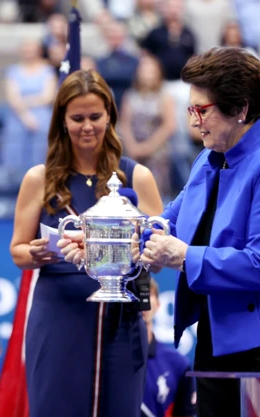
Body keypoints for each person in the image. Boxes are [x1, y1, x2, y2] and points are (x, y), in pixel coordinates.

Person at [62, 47, 260, 417]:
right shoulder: (208, 159)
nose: (194, 121)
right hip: (221, 338)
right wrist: (106, 239)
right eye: (191, 109)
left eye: (201, 110)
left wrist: (182, 256)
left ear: (240, 109)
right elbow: (165, 223)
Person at [10, 69, 164, 417]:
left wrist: (144, 251)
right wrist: (35, 253)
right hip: (58, 316)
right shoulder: (39, 178)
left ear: (110, 114)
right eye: (77, 118)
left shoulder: (136, 176)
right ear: (62, 121)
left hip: (121, 319)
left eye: (95, 116)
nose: (87, 126)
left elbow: (159, 253)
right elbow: (17, 250)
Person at [141, 278, 196, 417]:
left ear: (158, 304)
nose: (142, 301)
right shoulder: (106, 359)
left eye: (148, 294)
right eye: (135, 294)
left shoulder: (177, 364)